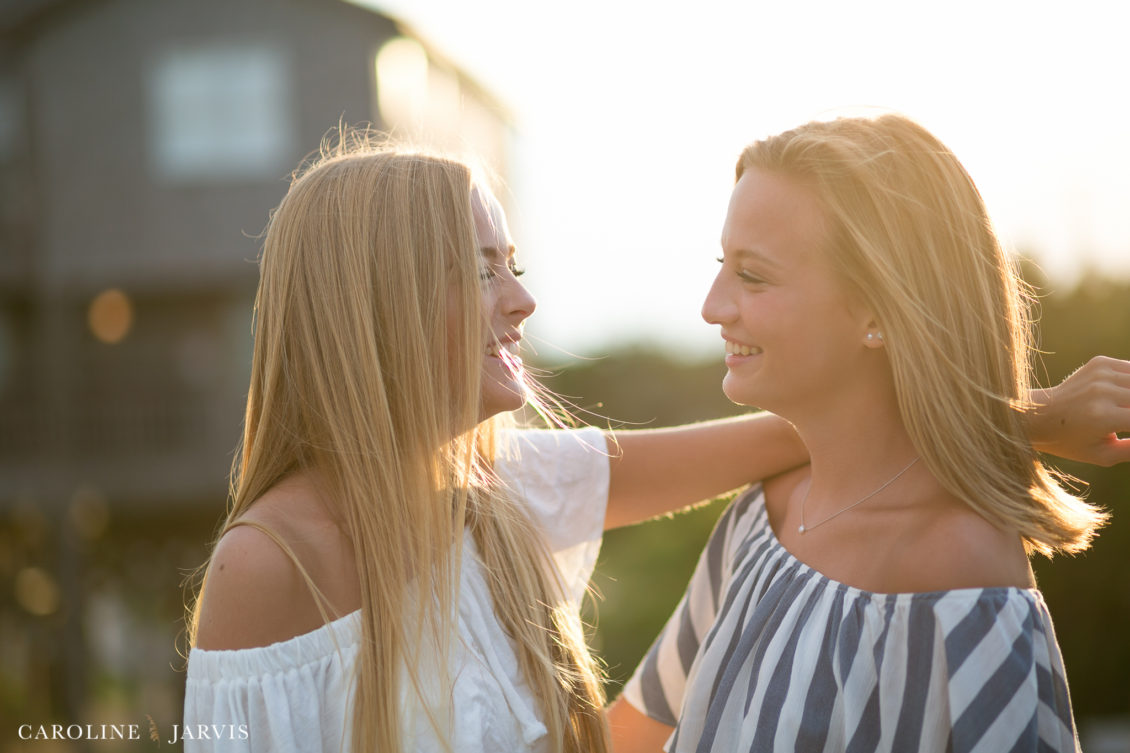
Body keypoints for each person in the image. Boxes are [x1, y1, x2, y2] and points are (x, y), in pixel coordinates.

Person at [183, 132, 1124, 753]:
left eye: (513, 265)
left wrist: (1015, 414)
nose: (523, 300)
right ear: (372, 303)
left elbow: (798, 436)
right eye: (479, 271)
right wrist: (1025, 413)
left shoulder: (494, 492)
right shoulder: (267, 573)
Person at [609, 114, 1130, 752]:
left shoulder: (965, 572)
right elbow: (627, 739)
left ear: (879, 310)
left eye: (753, 274)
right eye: (724, 264)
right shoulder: (758, 520)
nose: (712, 306)